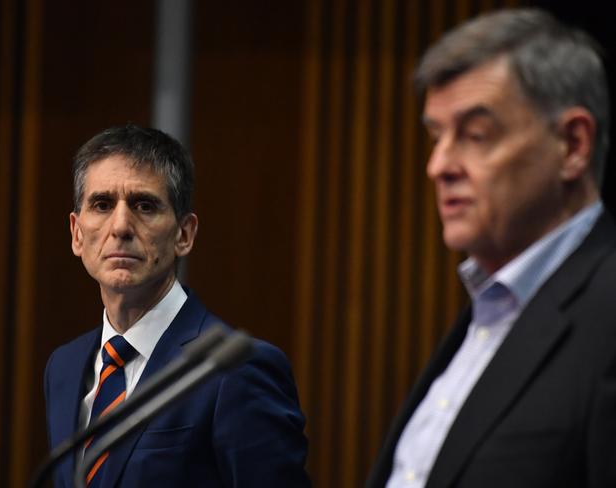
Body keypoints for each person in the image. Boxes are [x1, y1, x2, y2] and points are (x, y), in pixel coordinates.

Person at [367, 8, 616, 488]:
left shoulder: (607, 306)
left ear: (573, 144)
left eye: (475, 135)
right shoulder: (486, 312)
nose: (438, 165)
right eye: (436, 137)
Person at [44, 124, 310, 487]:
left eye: (144, 205)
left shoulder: (236, 370)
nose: (120, 226)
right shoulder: (64, 367)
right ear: (77, 233)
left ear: (184, 234)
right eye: (102, 204)